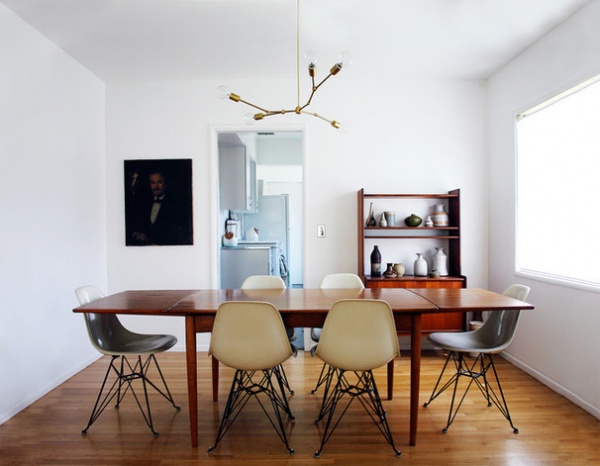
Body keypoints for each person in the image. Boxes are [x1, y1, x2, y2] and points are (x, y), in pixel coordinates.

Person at [130, 171, 192, 245]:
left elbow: (178, 233)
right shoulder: (144, 203)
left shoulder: (175, 205)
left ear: (165, 184)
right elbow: (137, 226)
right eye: (153, 183)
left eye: (159, 182)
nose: (156, 186)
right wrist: (136, 234)